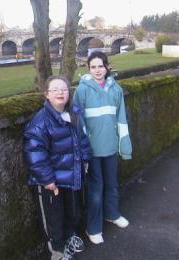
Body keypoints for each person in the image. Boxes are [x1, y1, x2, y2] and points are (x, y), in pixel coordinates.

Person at [23, 75, 92, 260]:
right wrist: (47, 180)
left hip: (71, 175)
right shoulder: (40, 121)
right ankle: (57, 252)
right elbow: (35, 153)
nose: (61, 93)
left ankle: (69, 237)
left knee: (73, 211)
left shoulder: (74, 114)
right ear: (46, 94)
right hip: (50, 182)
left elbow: (82, 140)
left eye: (64, 89)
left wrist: (85, 160)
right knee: (53, 219)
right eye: (55, 90)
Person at [73, 51, 132, 245]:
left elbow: (121, 119)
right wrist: (82, 149)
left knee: (112, 184)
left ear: (107, 67)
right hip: (92, 150)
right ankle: (93, 227)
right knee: (95, 189)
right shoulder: (82, 90)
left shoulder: (116, 89)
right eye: (93, 67)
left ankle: (112, 214)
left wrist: (124, 145)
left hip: (110, 147)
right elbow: (77, 121)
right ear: (88, 69)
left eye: (101, 66)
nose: (98, 70)